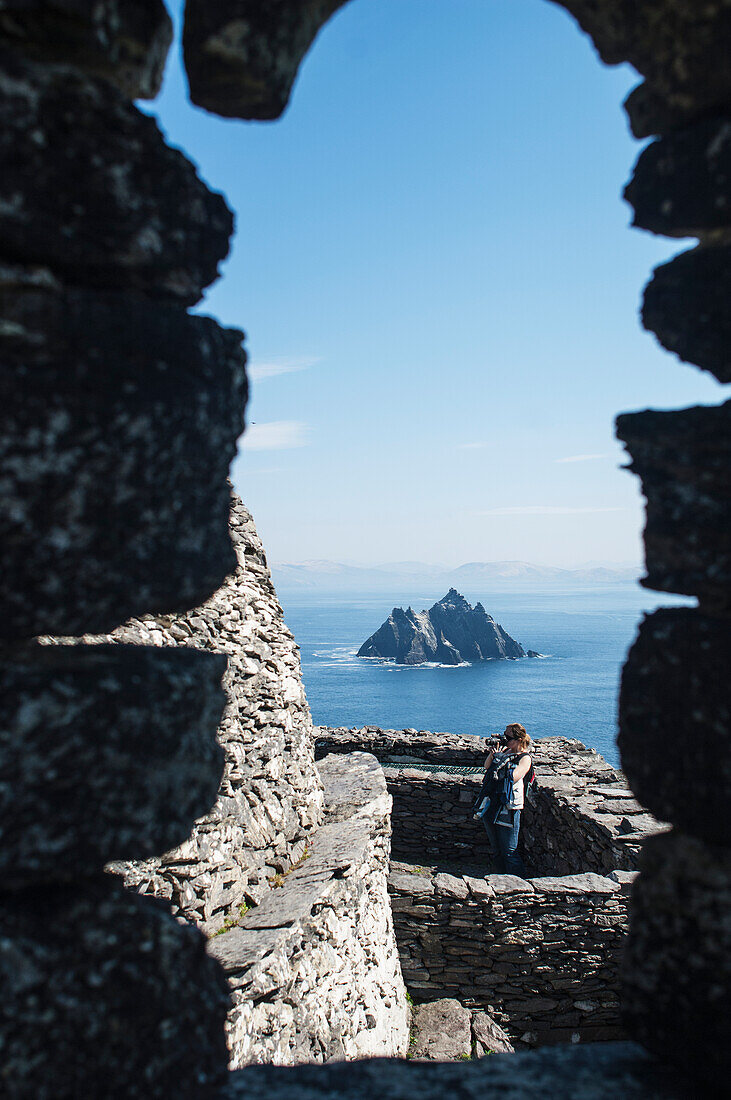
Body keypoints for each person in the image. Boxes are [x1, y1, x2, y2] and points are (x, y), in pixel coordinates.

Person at [475, 722, 532, 877]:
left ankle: (518, 884)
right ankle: (499, 879)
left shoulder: (525, 758)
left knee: (509, 851)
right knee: (497, 849)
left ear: (519, 740)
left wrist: (500, 760)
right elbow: (487, 766)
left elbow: (513, 777)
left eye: (508, 737)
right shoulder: (505, 752)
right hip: (493, 803)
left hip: (510, 807)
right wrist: (494, 755)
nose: (505, 739)